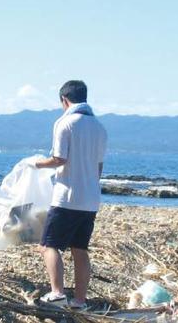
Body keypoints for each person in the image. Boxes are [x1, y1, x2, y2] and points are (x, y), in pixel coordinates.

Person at [28, 80, 107, 309]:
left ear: (64, 100)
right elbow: (98, 168)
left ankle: (57, 293)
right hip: (91, 199)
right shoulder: (99, 127)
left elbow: (59, 159)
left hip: (67, 197)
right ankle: (80, 300)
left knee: (48, 245)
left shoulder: (65, 123)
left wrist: (38, 164)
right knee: (80, 249)